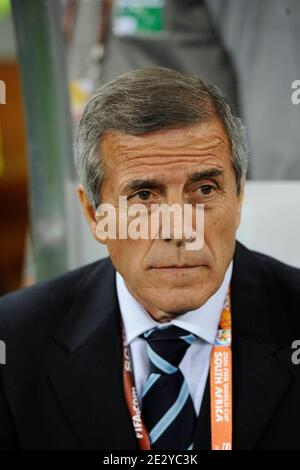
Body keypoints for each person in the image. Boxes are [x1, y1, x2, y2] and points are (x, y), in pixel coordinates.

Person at [0, 68, 299, 450]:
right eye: (144, 196)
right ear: (95, 215)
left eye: (204, 189)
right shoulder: (14, 342)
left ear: (238, 199)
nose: (180, 230)